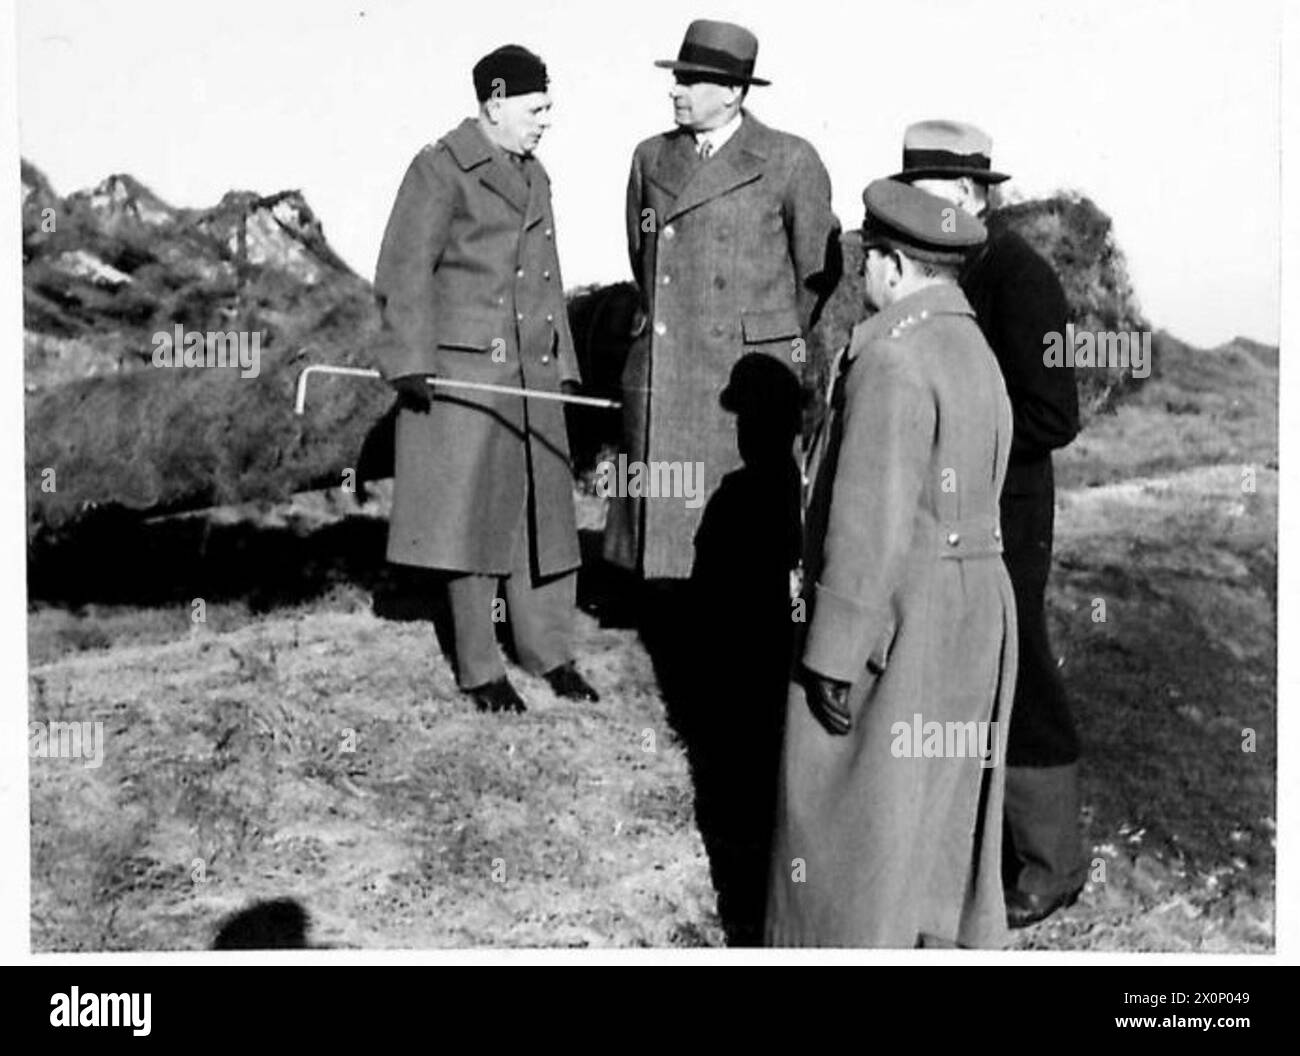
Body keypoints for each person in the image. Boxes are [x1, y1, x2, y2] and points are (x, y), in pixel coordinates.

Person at [766, 179, 1016, 948]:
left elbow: (869, 526)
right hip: (976, 607)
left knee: (849, 816)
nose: (863, 276)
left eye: (868, 259)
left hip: (903, 610)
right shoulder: (973, 347)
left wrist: (834, 653)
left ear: (895, 268)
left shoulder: (892, 362)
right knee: (935, 815)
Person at [893, 120, 1086, 926]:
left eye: (929, 191)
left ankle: (1052, 862)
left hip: (1007, 509)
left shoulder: (1019, 276)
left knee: (1020, 664)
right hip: (938, 505)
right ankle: (957, 842)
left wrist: (963, 431)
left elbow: (1054, 414)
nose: (913, 206)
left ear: (973, 195)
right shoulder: (930, 273)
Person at [372, 45, 598, 714]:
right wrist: (411, 363)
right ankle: (480, 667)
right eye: (537, 107)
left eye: (549, 106)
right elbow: (403, 271)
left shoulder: (537, 175)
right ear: (495, 103)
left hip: (532, 371)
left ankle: (549, 651)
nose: (547, 119)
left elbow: (546, 278)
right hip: (467, 375)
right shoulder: (440, 168)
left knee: (543, 515)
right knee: (474, 523)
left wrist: (563, 361)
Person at [603, 18, 841, 580]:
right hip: (664, 368)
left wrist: (766, 336)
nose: (675, 90)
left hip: (744, 377)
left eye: (690, 80)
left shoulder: (789, 160)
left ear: (733, 92)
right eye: (677, 77)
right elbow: (644, 255)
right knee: (666, 552)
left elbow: (815, 274)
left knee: (742, 556)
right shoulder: (650, 157)